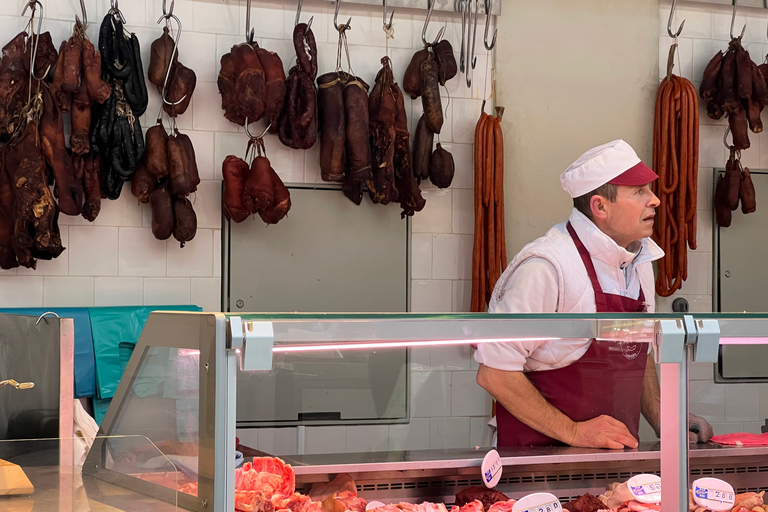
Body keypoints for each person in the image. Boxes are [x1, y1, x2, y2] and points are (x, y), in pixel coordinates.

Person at [475, 139, 713, 449]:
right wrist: (575, 433)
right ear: (600, 206)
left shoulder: (639, 263)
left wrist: (667, 420)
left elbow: (634, 354)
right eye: (639, 191)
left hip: (614, 460)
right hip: (536, 465)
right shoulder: (547, 267)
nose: (654, 200)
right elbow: (494, 374)